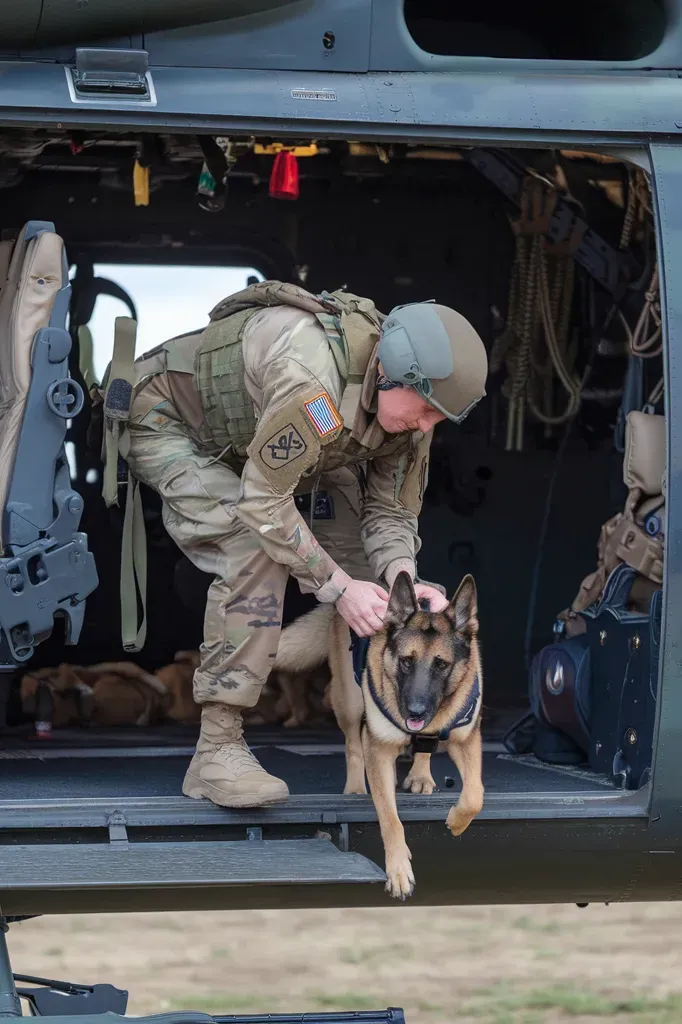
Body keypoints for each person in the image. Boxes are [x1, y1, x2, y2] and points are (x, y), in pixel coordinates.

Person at [122, 281, 488, 808]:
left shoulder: (412, 412)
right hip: (170, 422)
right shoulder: (314, 385)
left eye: (438, 418)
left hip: (258, 441)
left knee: (376, 585)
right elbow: (263, 502)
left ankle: (384, 728)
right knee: (255, 547)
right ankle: (217, 751)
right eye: (425, 409)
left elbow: (389, 512)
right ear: (387, 373)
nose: (427, 426)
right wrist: (338, 588)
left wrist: (404, 580)